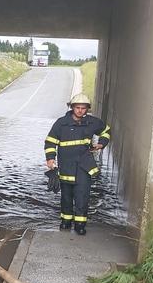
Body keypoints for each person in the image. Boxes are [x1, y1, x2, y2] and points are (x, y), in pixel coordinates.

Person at [44, 93, 111, 235]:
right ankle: (66, 221)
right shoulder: (61, 123)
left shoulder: (92, 122)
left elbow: (106, 130)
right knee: (66, 196)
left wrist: (101, 144)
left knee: (82, 196)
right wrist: (50, 159)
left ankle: (80, 224)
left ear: (87, 109)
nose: (80, 110)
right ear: (72, 107)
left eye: (83, 108)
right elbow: (50, 142)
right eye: (77, 107)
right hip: (66, 166)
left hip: (84, 166)